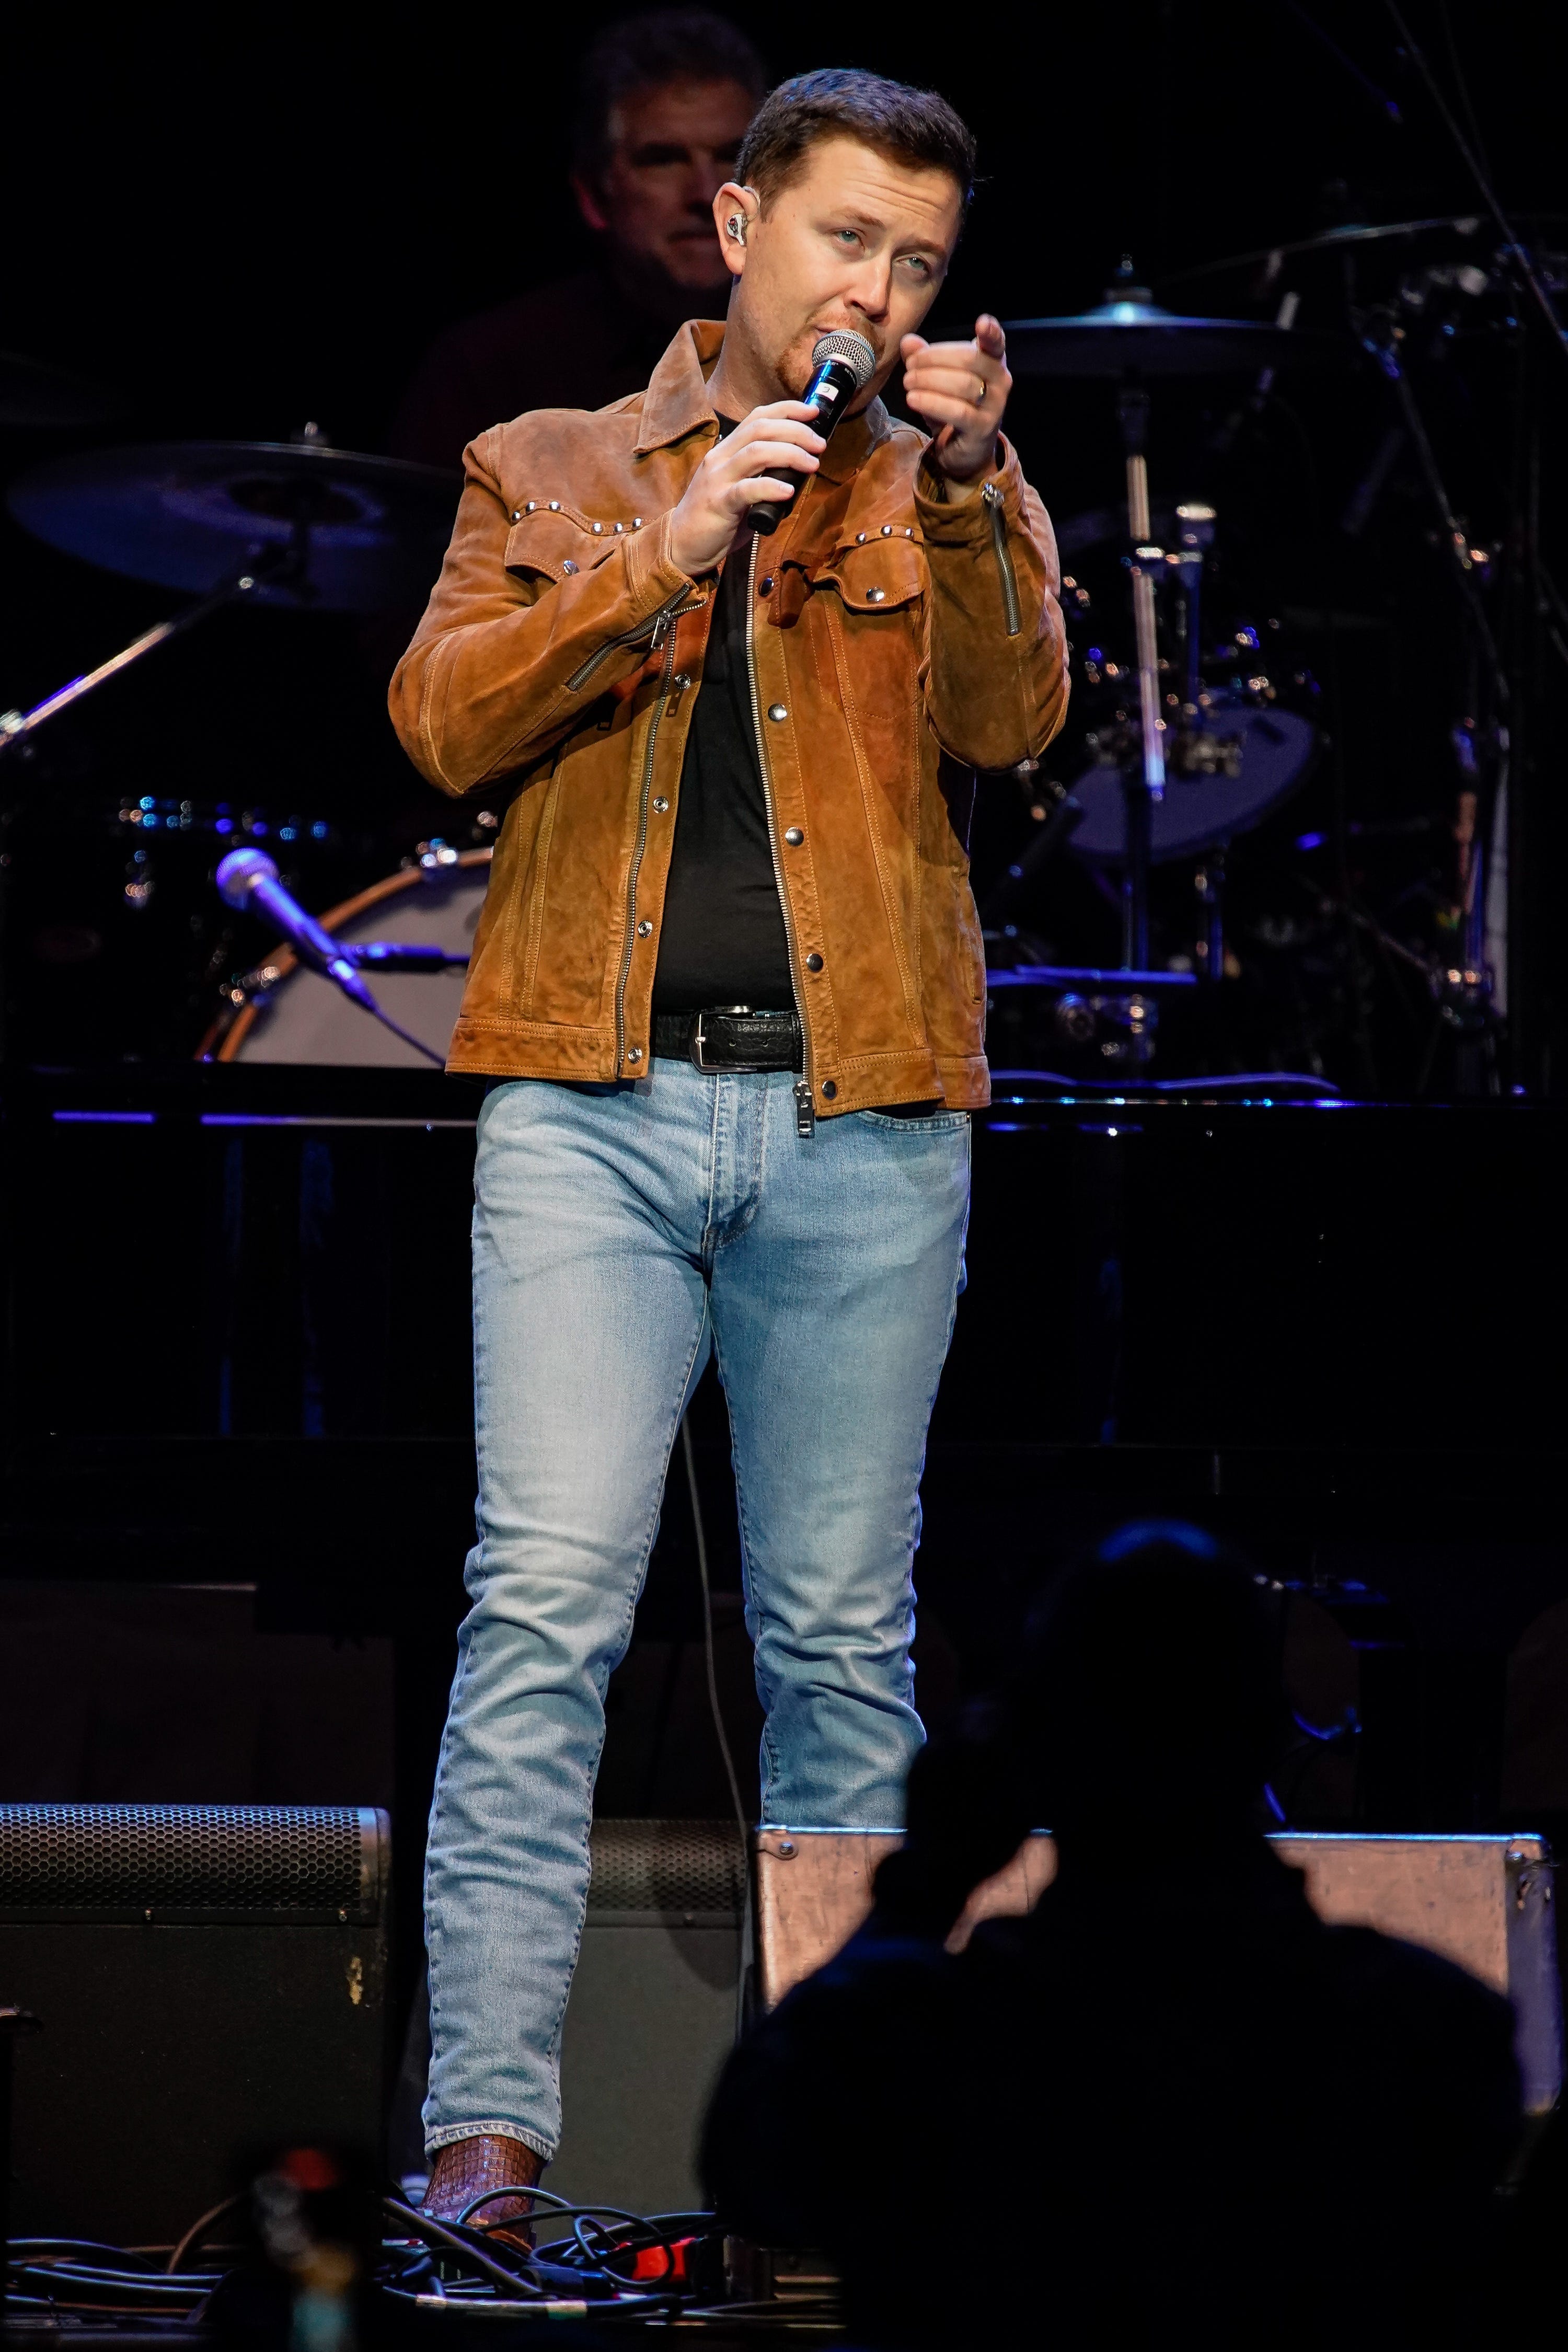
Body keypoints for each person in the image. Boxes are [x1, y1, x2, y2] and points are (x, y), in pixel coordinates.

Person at [389, 66, 1069, 2224]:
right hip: (586, 1113)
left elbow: (1015, 719)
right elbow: (443, 721)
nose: (884, 286)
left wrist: (962, 492)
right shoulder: (552, 461)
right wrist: (668, 546)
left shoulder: (957, 482)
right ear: (744, 223)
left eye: (925, 263)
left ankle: (837, 2164)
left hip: (860, 1127)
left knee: (843, 1647)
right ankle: (484, 2143)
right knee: (544, 1612)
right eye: (853, 237)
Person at [703, 1525, 1524, 2347]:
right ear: (1272, 1737)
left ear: (1033, 1749)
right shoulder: (1425, 2031)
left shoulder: (926, 2043)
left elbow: (752, 2169)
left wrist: (929, 1880)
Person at [389, 11, 766, 467]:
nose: (706, 193)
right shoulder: (490, 372)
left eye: (731, 156)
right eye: (662, 160)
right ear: (594, 195)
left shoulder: (825, 345)